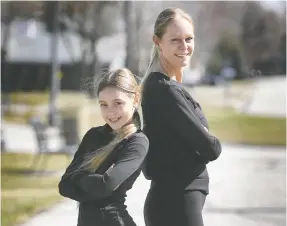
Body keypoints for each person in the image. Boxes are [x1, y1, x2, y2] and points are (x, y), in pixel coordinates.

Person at [140, 8, 222, 226]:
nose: (184, 47)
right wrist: (208, 138)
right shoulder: (166, 91)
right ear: (157, 42)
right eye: (175, 40)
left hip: (175, 203)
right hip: (176, 206)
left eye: (188, 39)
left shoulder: (165, 86)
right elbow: (211, 149)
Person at [58, 68, 149, 226]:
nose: (110, 112)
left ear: (135, 100)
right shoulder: (93, 135)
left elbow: (105, 186)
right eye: (103, 105)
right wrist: (94, 185)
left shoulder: (137, 142)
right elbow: (64, 186)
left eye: (118, 103)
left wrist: (78, 177)